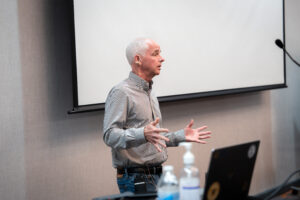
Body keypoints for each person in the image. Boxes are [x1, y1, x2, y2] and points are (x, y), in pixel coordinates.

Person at [103, 38, 211, 194]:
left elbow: (152, 138)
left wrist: (180, 136)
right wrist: (142, 133)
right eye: (155, 54)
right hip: (136, 178)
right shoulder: (121, 92)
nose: (162, 58)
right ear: (138, 60)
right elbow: (109, 135)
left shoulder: (150, 92)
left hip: (158, 174)